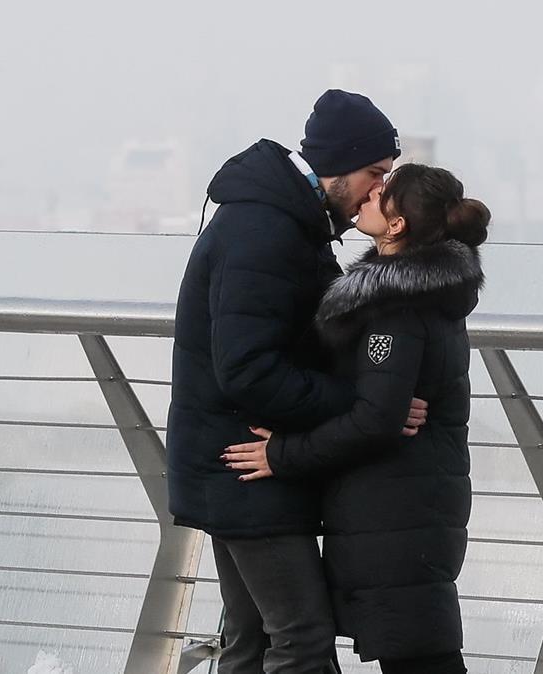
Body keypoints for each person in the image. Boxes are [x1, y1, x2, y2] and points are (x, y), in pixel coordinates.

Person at [166, 89, 428, 673]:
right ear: (336, 165)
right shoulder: (267, 230)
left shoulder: (281, 220)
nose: (378, 190)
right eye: (374, 173)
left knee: (254, 639)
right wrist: (363, 403)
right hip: (247, 463)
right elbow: (248, 369)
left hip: (237, 461)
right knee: (302, 637)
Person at [224, 163, 489, 674]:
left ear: (396, 226)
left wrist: (283, 454)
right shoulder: (419, 294)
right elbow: (378, 402)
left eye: (382, 193)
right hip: (404, 508)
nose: (368, 195)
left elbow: (376, 420)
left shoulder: (398, 306)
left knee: (419, 657)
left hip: (399, 514)